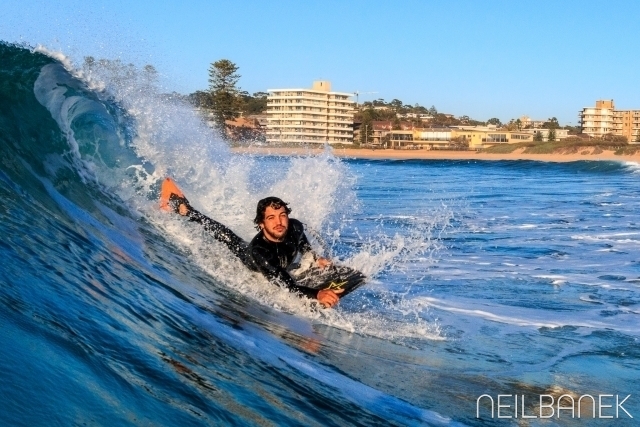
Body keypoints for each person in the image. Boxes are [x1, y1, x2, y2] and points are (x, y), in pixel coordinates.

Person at [161, 178, 365, 308]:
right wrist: (317, 293)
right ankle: (183, 209)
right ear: (260, 224)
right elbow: (287, 284)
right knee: (225, 236)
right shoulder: (261, 252)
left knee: (228, 235)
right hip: (252, 259)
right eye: (271, 218)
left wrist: (314, 257)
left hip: (280, 261)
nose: (279, 222)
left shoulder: (294, 226)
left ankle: (185, 210)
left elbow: (302, 242)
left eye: (282, 215)